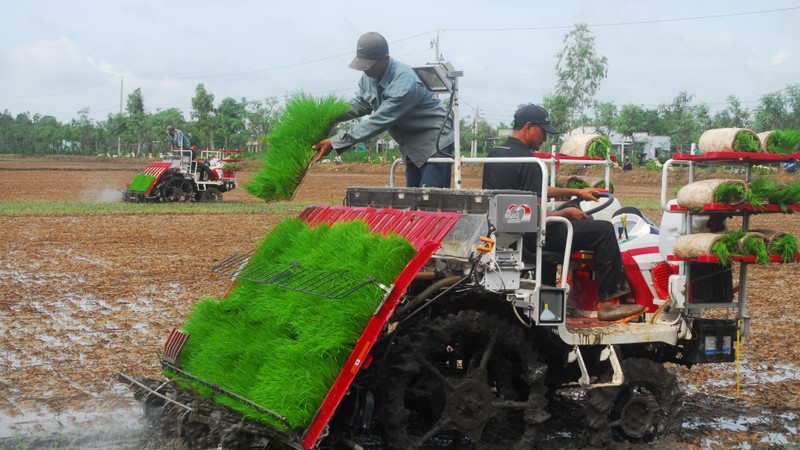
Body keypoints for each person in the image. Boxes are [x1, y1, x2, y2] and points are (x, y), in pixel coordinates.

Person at [482, 104, 644, 322]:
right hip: (530, 239)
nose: (544, 138)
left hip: (502, 235)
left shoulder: (497, 155)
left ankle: (550, 286)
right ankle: (607, 303)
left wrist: (576, 192)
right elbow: (536, 218)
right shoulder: (531, 163)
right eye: (543, 131)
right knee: (603, 230)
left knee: (570, 214)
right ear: (529, 127)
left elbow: (531, 191)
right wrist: (564, 212)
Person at [312, 32, 455, 188]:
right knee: (413, 199)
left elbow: (379, 121)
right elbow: (361, 104)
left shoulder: (405, 83)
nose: (365, 70)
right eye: (362, 64)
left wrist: (336, 142)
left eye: (369, 65)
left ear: (385, 58)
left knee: (430, 201)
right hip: (411, 145)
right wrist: (329, 116)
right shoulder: (369, 76)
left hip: (434, 140)